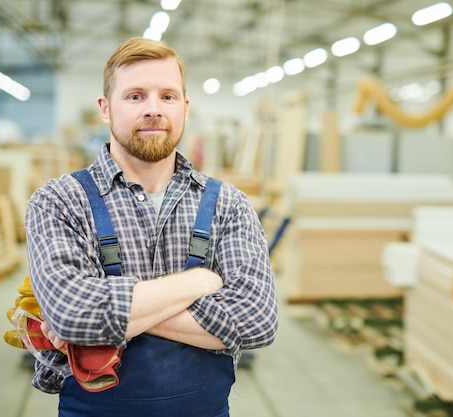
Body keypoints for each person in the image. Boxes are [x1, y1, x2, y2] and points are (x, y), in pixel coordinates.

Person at [24, 36, 279, 416]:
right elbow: (73, 317)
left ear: (186, 108)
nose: (153, 110)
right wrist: (198, 283)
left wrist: (106, 315)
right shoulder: (59, 201)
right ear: (105, 108)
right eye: (135, 96)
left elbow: (257, 321)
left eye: (168, 96)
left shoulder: (228, 205)